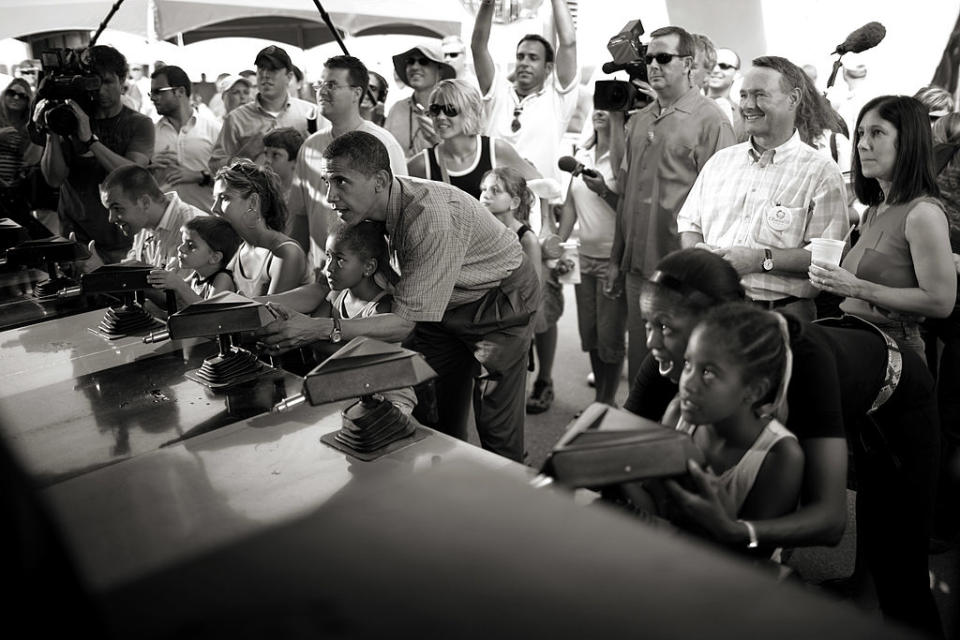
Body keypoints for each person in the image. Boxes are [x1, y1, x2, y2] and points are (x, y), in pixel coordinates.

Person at [626, 247, 942, 637]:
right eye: (647, 324)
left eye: (666, 328)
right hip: (842, 372)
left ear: (716, 323)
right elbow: (625, 437)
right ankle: (858, 591)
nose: (652, 342)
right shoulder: (676, 349)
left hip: (897, 395)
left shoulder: (803, 362)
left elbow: (828, 520)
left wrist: (739, 532)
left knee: (899, 568)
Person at [256, 131, 541, 463]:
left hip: (498, 303)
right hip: (439, 304)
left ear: (379, 180)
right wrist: (252, 307)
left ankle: (511, 503)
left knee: (496, 428)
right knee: (432, 411)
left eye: (341, 182)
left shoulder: (428, 218)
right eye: (327, 181)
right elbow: (324, 285)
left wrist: (316, 329)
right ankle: (443, 491)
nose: (330, 196)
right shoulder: (360, 213)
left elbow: (403, 325)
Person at [606, 25, 735, 384]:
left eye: (663, 58)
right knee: (641, 367)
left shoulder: (712, 120)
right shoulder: (641, 119)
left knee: (682, 369)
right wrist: (616, 259)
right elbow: (626, 193)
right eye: (649, 58)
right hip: (637, 269)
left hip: (682, 274)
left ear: (688, 64)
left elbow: (723, 207)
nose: (653, 65)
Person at [678, 56, 849, 322]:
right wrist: (699, 255)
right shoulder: (720, 162)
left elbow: (825, 258)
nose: (747, 105)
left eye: (759, 95)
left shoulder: (821, 172)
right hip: (713, 310)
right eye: (744, 95)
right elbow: (689, 224)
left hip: (781, 317)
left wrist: (761, 259)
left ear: (793, 99)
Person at [810, 95, 957, 356]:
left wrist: (855, 287)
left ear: (908, 143)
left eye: (877, 133)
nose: (863, 145)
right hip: (856, 340)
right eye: (861, 133)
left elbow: (940, 301)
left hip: (894, 351)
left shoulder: (922, 213)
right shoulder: (875, 210)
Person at [661, 303, 803, 538]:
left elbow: (757, 557)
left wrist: (727, 526)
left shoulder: (780, 455)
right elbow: (655, 501)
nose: (688, 383)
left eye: (708, 372)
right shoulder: (678, 413)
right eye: (688, 364)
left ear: (754, 391)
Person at [34, 45, 155, 264]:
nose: (100, 90)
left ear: (122, 81)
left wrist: (90, 141)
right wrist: (53, 131)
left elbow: (133, 175)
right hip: (75, 240)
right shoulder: (70, 118)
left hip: (122, 242)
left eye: (107, 82)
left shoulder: (139, 124)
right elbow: (53, 179)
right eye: (94, 82)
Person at [287, 55, 406, 272]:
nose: (322, 91)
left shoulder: (383, 144)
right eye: (319, 84)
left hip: (370, 278)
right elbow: (300, 216)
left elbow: (400, 216)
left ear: (357, 93)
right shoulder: (310, 146)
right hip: (321, 275)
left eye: (331, 85)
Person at [471, 0, 579, 189]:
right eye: (520, 57)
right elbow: (478, 46)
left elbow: (568, 43)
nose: (524, 63)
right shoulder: (498, 91)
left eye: (533, 58)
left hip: (536, 205)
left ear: (548, 68)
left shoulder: (557, 100)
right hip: (491, 201)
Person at [558, 109, 626, 406]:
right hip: (582, 258)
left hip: (614, 260)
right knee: (591, 336)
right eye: (596, 101)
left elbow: (630, 210)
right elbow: (571, 205)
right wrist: (556, 247)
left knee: (610, 340)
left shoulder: (626, 156)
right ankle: (601, 402)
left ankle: (606, 403)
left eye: (608, 103)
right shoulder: (581, 151)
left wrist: (603, 191)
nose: (599, 109)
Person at [318, 220, 416, 414]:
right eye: (328, 256)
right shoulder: (336, 296)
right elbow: (313, 331)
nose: (328, 268)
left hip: (390, 400)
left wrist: (308, 336)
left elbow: (346, 353)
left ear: (369, 267)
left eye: (340, 260)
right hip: (353, 391)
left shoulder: (382, 308)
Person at [407, 79, 545, 199]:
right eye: (435, 109)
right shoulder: (422, 164)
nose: (441, 117)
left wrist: (544, 223)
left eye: (450, 109)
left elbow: (542, 186)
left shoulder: (496, 150)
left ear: (470, 112)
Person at [209, 46, 321, 173]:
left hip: (301, 191)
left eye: (273, 70)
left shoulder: (310, 114)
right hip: (255, 192)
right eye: (261, 69)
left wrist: (312, 149)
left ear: (289, 77)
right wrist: (244, 156)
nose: (265, 75)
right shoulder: (236, 118)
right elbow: (215, 166)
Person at [212, 160, 309, 297]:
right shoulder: (235, 250)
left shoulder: (286, 253)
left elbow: (270, 316)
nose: (214, 208)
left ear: (253, 202)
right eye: (215, 199)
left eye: (224, 198)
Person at [150, 65, 222, 212]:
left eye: (158, 92)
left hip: (207, 222)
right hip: (165, 223)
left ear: (180, 91)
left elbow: (234, 179)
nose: (153, 98)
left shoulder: (214, 129)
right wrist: (148, 165)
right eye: (151, 93)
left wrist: (201, 177)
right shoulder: (151, 133)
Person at [147, 216, 240, 305]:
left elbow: (210, 313)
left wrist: (178, 284)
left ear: (214, 258)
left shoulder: (223, 278)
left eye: (191, 246)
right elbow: (173, 299)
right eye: (183, 242)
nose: (180, 248)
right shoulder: (197, 276)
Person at [384, 42, 455, 159]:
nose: (415, 67)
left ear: (440, 71)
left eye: (423, 61)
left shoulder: (453, 110)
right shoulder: (396, 108)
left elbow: (461, 158)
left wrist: (438, 142)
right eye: (410, 62)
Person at [479, 167, 541, 282]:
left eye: (495, 190)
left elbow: (536, 289)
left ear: (514, 202)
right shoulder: (480, 232)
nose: (485, 195)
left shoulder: (527, 240)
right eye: (484, 189)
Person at [0, 78, 42, 221]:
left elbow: (31, 160)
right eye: (12, 93)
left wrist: (37, 130)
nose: (16, 97)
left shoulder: (28, 126)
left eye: (22, 95)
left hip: (16, 190)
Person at [259, 127, 304, 202]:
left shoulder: (302, 197)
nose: (267, 160)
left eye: (275, 155)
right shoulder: (260, 193)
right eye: (266, 153)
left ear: (295, 161)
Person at [706, 47, 742, 132]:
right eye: (712, 64)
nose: (715, 70)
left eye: (724, 66)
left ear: (737, 74)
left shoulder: (742, 117)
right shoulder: (687, 105)